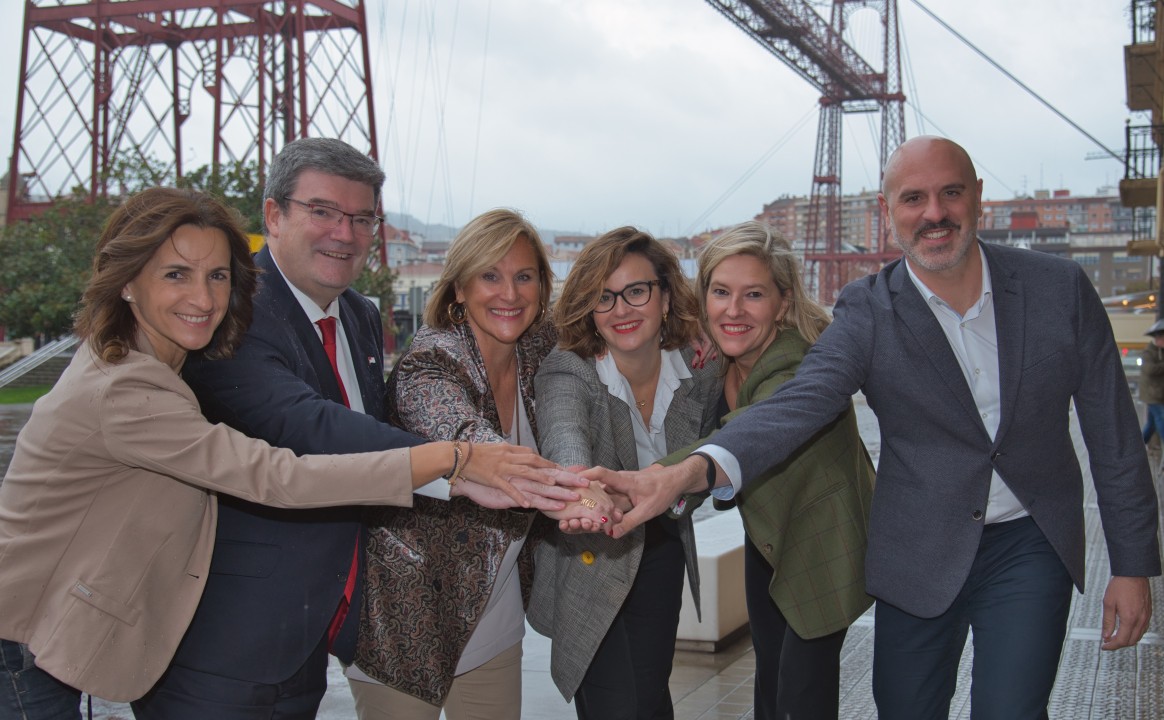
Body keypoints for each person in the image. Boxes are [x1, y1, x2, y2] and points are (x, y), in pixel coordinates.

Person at [593, 136, 1161, 719]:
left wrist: (1132, 565)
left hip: (1029, 545)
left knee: (1011, 709)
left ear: (978, 196)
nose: (934, 213)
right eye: (913, 198)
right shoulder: (869, 309)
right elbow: (800, 402)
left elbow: (1115, 437)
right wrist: (683, 472)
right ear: (889, 212)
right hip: (917, 551)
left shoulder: (1059, 290)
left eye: (950, 193)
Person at [0, 187, 564, 718]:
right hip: (24, 645)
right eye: (176, 275)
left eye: (218, 275)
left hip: (61, 632)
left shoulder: (146, 364)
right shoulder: (125, 389)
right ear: (126, 282)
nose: (203, 298)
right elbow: (276, 477)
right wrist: (453, 460)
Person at [133, 142, 589, 720]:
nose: (343, 234)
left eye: (360, 218)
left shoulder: (357, 314)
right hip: (229, 633)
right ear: (274, 215)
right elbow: (305, 425)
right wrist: (457, 461)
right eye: (322, 211)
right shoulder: (234, 310)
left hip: (319, 623)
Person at [346, 209, 613, 720]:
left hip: (493, 613)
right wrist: (569, 492)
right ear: (458, 288)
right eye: (490, 276)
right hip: (406, 618)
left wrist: (694, 339)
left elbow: (607, 325)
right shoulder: (432, 359)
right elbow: (466, 436)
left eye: (524, 276)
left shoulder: (536, 343)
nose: (509, 294)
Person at [668, 221, 874, 719]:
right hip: (766, 540)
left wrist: (652, 482)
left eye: (753, 295)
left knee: (801, 696)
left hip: (821, 547)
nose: (733, 309)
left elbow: (740, 435)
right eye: (721, 292)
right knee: (769, 687)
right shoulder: (723, 362)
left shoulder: (797, 367)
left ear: (782, 304)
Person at [527, 227, 720, 720]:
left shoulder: (699, 370)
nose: (621, 309)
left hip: (661, 549)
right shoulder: (570, 369)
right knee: (616, 704)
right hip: (593, 553)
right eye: (604, 297)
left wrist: (673, 492)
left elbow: (709, 463)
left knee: (650, 696)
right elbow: (564, 436)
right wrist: (583, 491)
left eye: (636, 291)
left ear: (665, 296)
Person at [1139, 318, 1164, 449]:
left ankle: (1138, 446)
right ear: (1158, 338)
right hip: (1152, 393)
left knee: (1151, 424)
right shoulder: (1149, 352)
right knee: (1161, 419)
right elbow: (1149, 370)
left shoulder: (1161, 352)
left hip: (1158, 392)